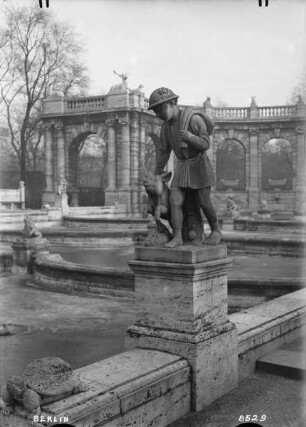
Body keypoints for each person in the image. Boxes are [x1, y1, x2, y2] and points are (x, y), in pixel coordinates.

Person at [148, 87, 222, 247]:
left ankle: (215, 230)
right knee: (175, 201)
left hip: (199, 165)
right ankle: (178, 237)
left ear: (172, 103)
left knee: (204, 201)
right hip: (182, 166)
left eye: (160, 109)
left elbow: (206, 143)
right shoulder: (166, 127)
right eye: (155, 111)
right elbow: (163, 152)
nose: (158, 114)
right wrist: (156, 173)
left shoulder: (193, 119)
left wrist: (190, 137)